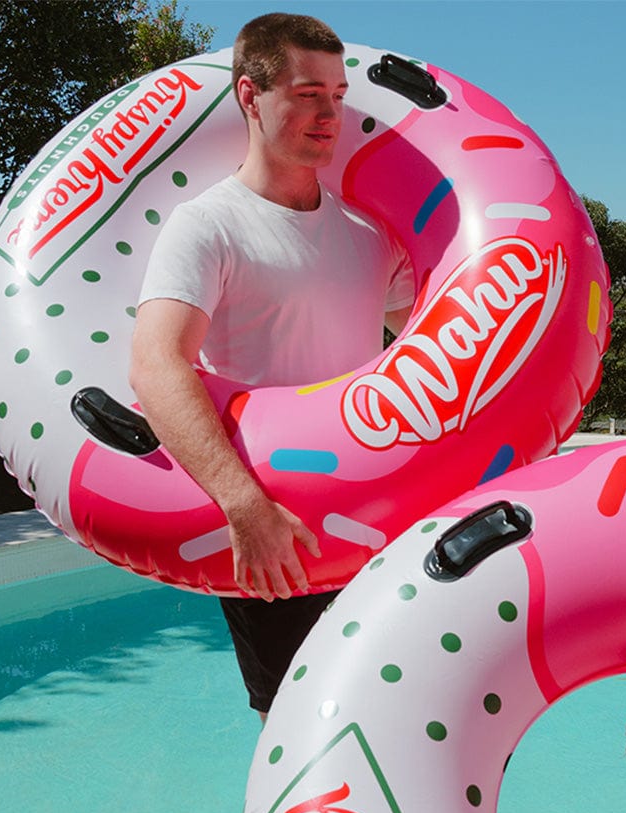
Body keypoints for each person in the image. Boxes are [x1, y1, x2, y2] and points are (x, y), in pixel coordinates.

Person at [129, 13, 415, 722]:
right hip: (276, 523)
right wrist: (241, 504)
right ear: (250, 96)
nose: (330, 113)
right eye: (307, 93)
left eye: (339, 95)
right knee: (296, 734)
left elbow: (442, 344)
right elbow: (156, 366)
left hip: (382, 521)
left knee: (395, 724)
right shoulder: (207, 226)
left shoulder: (368, 235)